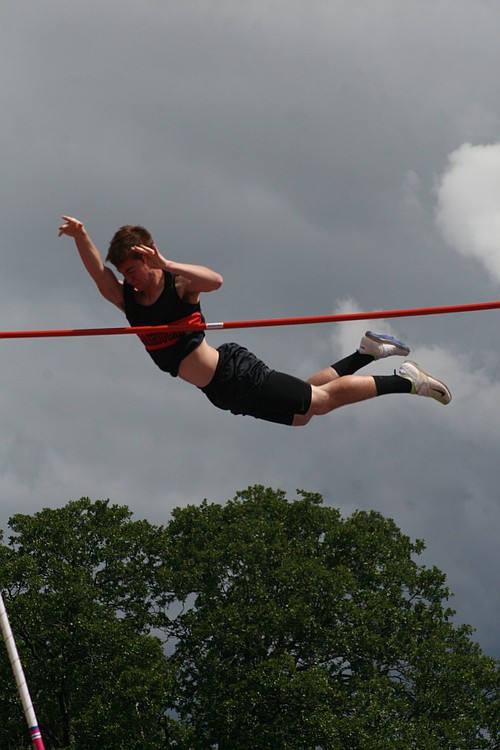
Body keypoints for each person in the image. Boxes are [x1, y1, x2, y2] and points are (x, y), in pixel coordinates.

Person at [58, 215, 451, 426]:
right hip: (220, 392)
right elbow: (98, 274)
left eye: (132, 268)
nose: (129, 277)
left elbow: (215, 281)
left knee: (322, 403)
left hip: (234, 373)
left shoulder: (179, 286)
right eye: (123, 271)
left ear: (148, 257)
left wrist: (167, 264)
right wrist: (80, 235)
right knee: (302, 416)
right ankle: (365, 354)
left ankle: (406, 380)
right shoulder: (129, 302)